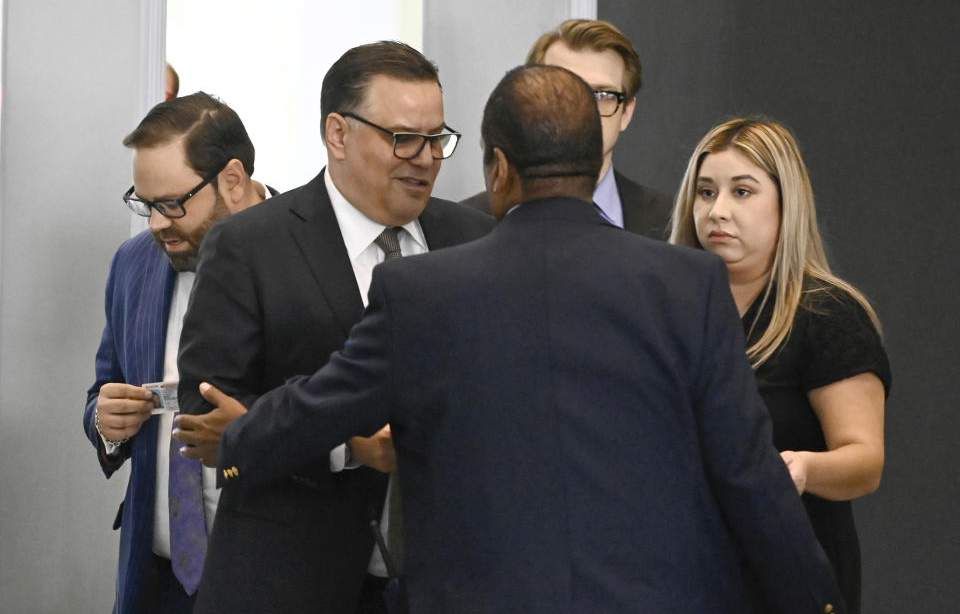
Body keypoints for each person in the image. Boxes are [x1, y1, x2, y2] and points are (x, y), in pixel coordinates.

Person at [176, 65, 846, 614]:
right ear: (593, 160)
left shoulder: (424, 292)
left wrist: (235, 441)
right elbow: (749, 474)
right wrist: (818, 602)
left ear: (498, 169)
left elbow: (323, 403)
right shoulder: (688, 284)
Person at [174, 41, 494, 614]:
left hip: (450, 580)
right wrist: (347, 446)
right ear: (338, 134)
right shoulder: (250, 245)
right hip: (288, 579)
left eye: (437, 139)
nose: (425, 158)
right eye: (402, 138)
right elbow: (209, 416)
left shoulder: (478, 239)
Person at [670, 117, 889, 613]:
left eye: (742, 192)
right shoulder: (668, 306)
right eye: (706, 192)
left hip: (784, 576)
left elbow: (864, 461)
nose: (717, 210)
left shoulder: (825, 313)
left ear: (785, 202)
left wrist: (800, 469)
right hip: (683, 572)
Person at [82, 92, 271, 614]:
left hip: (273, 578)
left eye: (172, 204)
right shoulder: (134, 263)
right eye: (146, 204)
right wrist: (105, 419)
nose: (156, 224)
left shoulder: (305, 253)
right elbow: (104, 387)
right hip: (157, 579)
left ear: (232, 181)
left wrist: (251, 430)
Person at [461, 18, 672, 238]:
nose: (583, 107)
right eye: (562, 91)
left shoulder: (673, 222)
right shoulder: (466, 223)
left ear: (626, 112)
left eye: (602, 95)